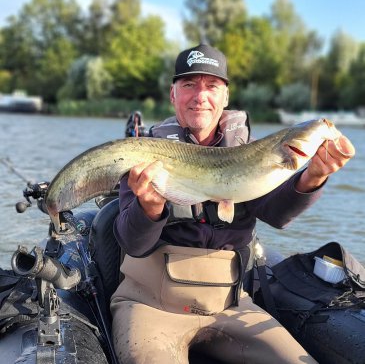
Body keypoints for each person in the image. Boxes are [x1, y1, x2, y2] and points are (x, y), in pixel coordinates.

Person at [110, 44, 355, 364]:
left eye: (212, 86)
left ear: (225, 97)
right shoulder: (145, 154)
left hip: (231, 304)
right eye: (189, 85)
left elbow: (277, 214)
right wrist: (149, 208)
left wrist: (313, 177)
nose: (200, 96)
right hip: (150, 304)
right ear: (173, 95)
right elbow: (131, 241)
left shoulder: (255, 153)